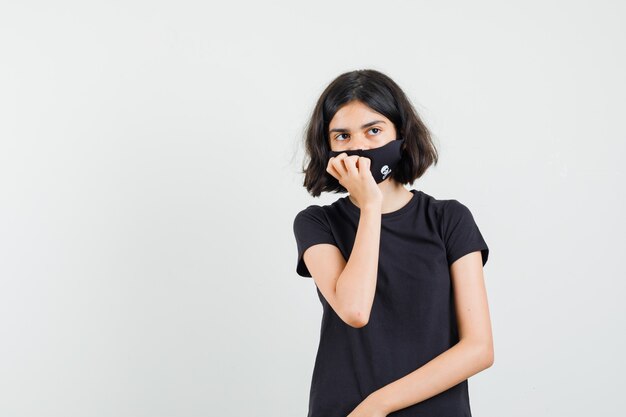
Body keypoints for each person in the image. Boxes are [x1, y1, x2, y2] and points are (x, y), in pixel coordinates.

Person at [292, 69, 493, 417]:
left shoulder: (449, 219)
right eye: (342, 135)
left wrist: (378, 406)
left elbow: (478, 348)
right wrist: (370, 206)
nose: (359, 146)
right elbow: (355, 310)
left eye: (374, 130)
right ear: (327, 146)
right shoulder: (317, 223)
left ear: (400, 132)